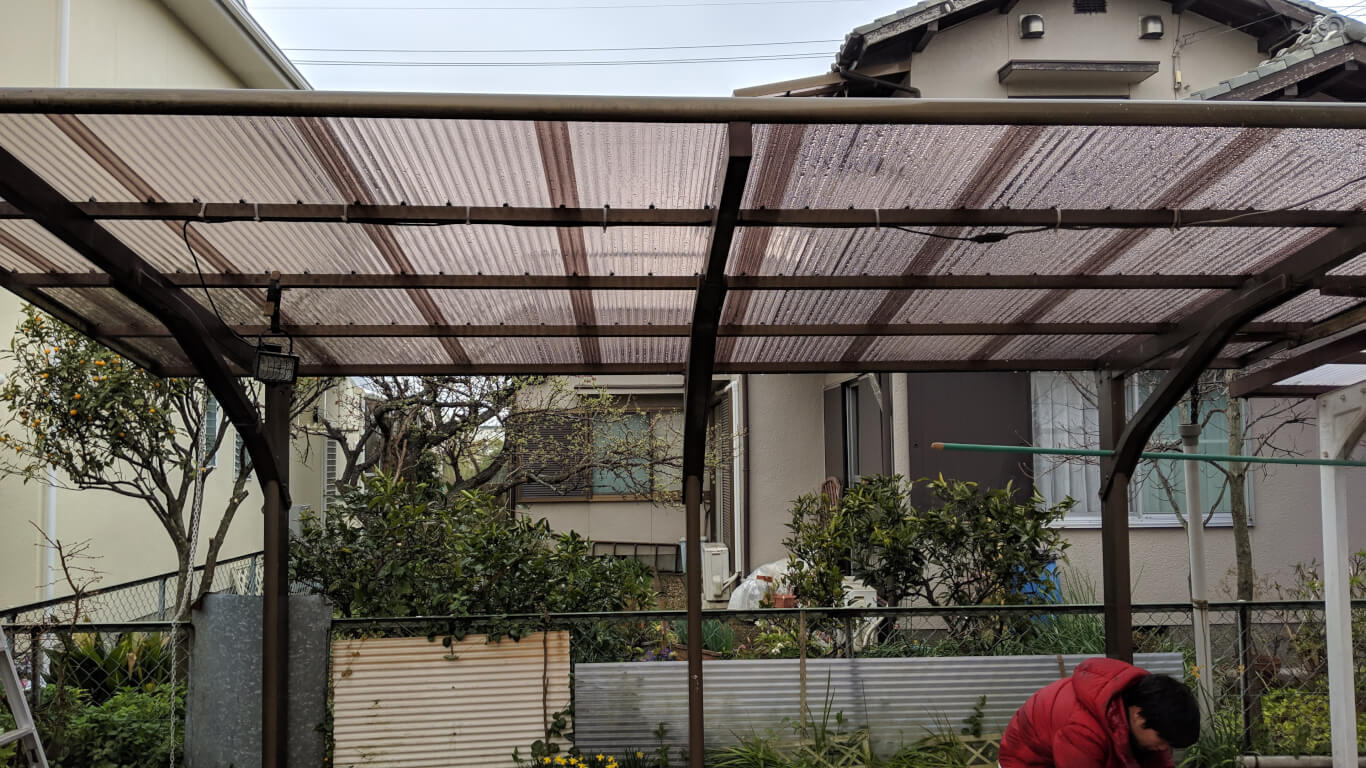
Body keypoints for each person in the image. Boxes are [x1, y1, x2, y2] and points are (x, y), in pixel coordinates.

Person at [999, 657, 1200, 768]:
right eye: (1163, 740)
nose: (1164, 747)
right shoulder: (1082, 730)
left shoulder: (1147, 711)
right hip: (1026, 761)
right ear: (1138, 715)